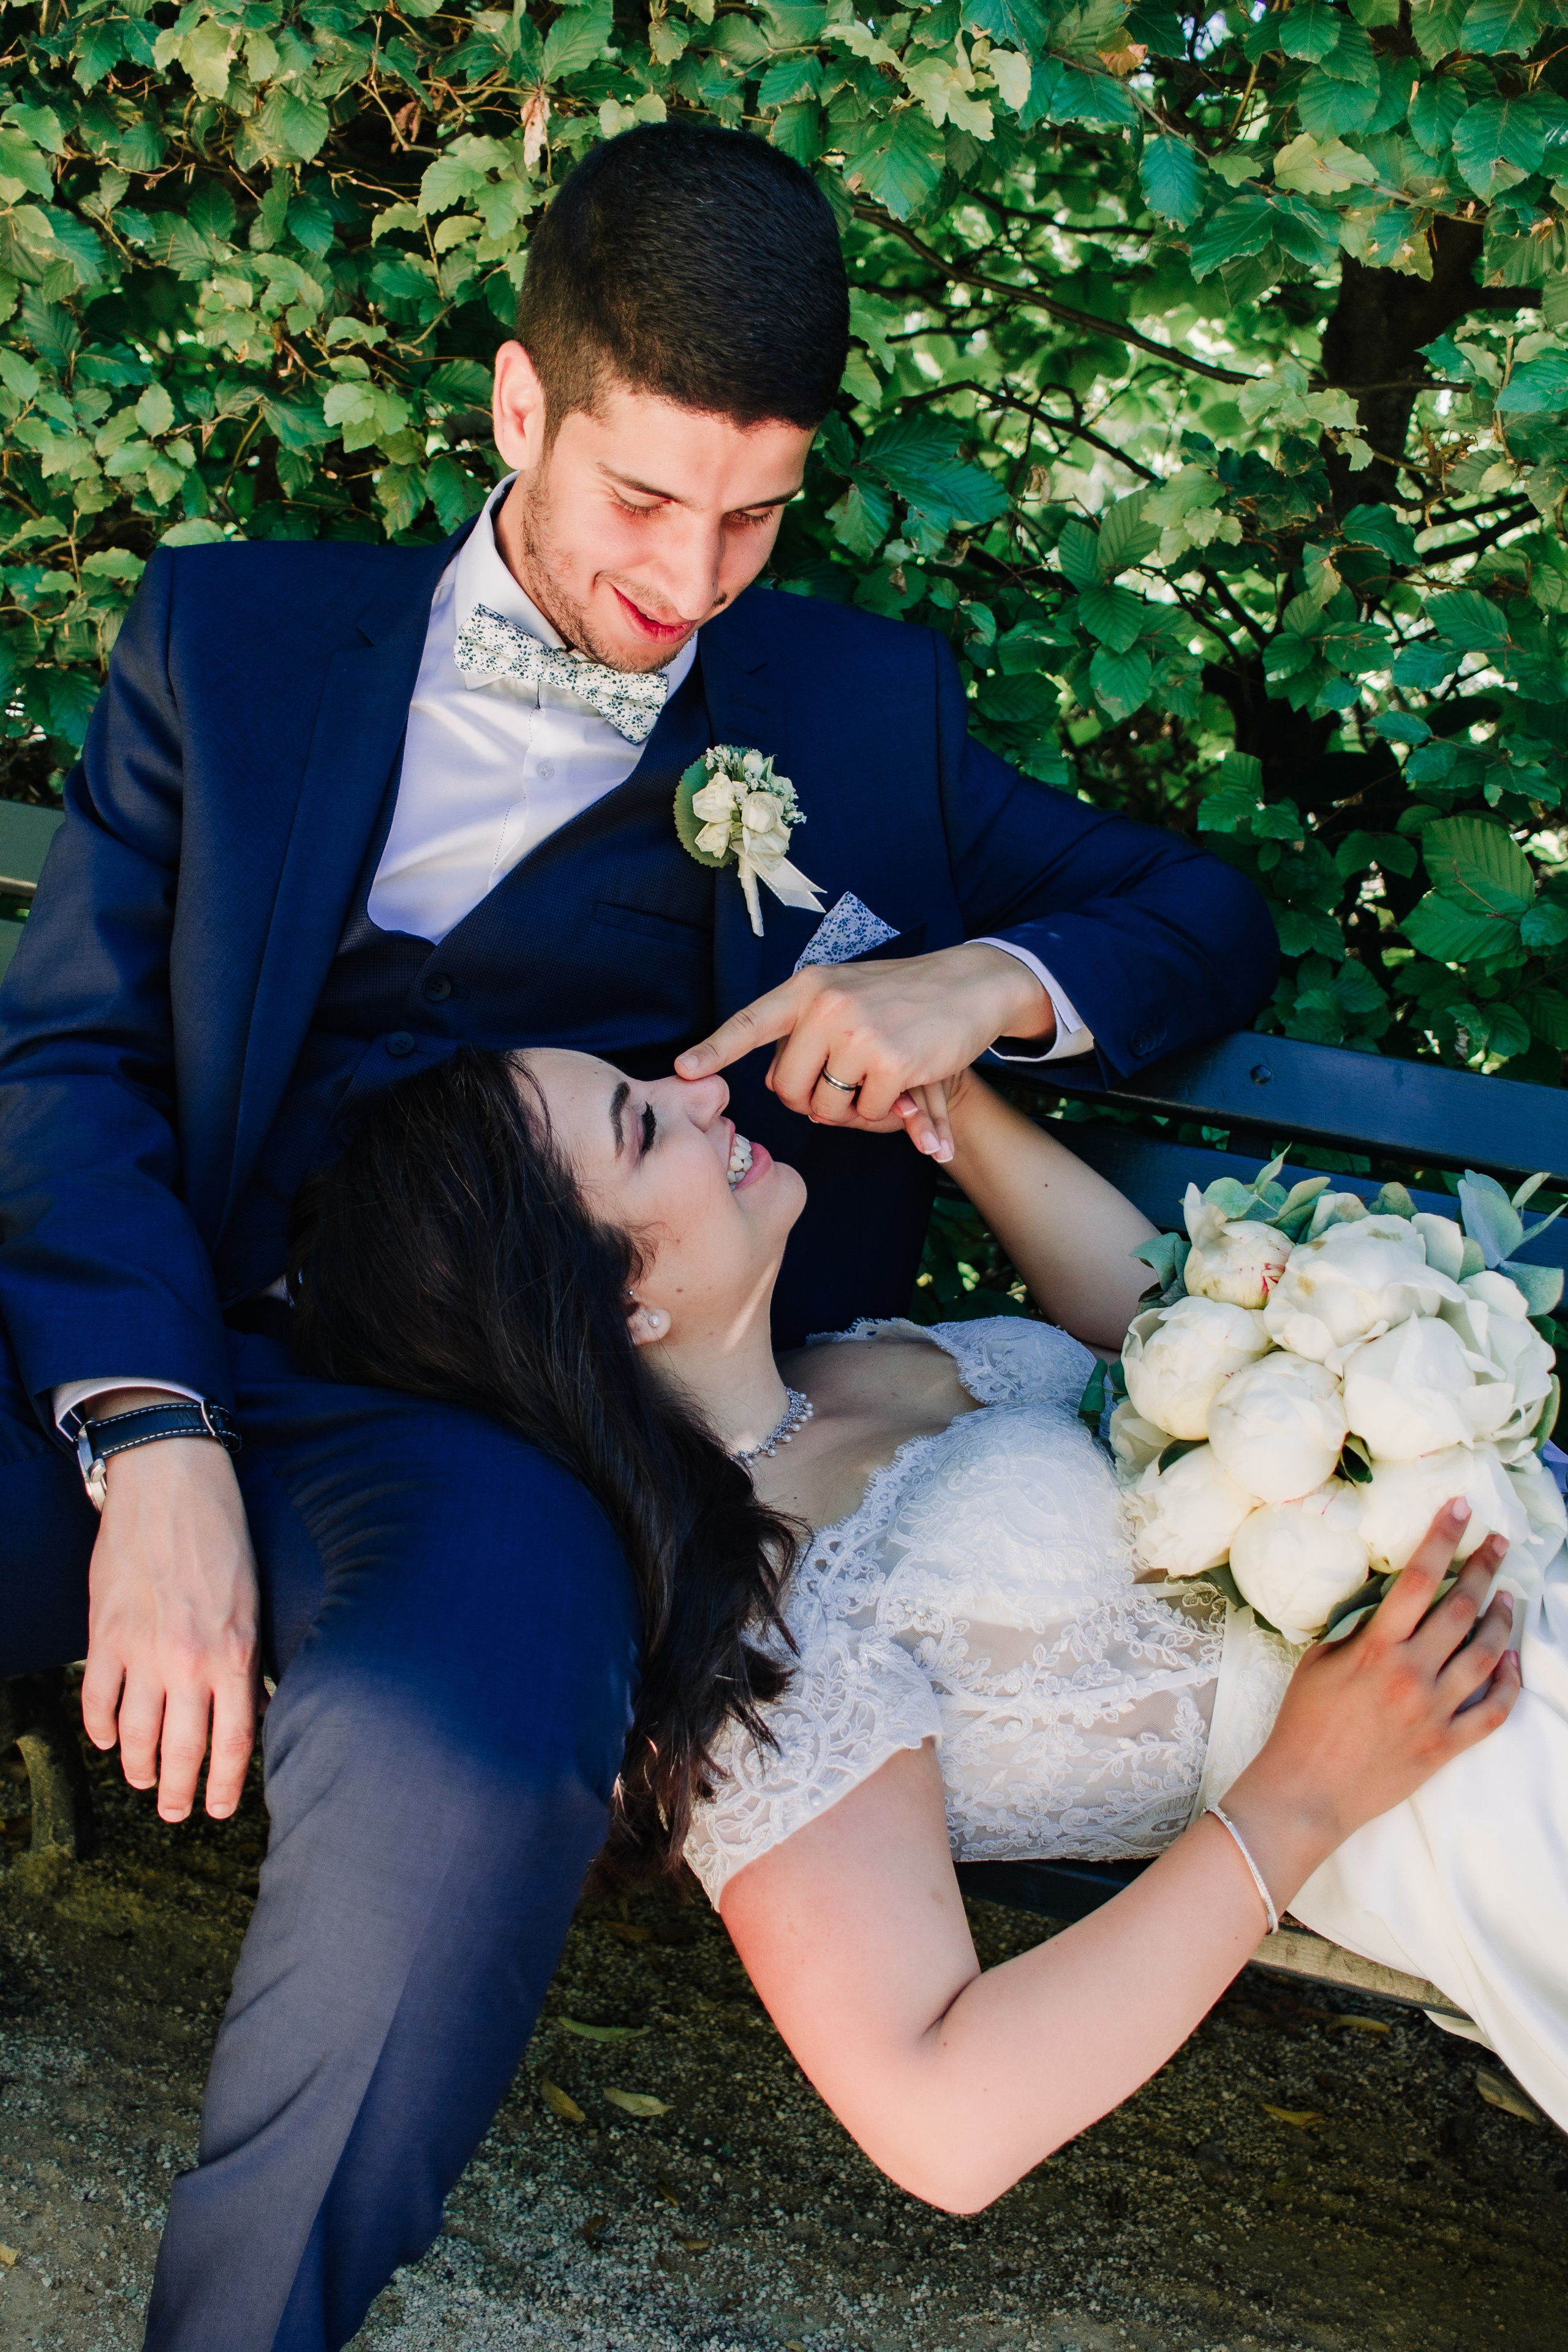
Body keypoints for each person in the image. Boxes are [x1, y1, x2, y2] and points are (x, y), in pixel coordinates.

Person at [0, 124, 1276, 2347]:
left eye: (757, 510)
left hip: (506, 1436)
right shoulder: (233, 637)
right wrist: (155, 1433)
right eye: (642, 499)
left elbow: (1198, 913)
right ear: (521, 409)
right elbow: (75, 1068)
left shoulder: (859, 717)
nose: (694, 577)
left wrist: (971, 986)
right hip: (163, 1332)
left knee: (472, 1747)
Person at [293, 1042, 1567, 2203]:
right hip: (1479, 1777)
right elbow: (937, 2119)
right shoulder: (756, 1637)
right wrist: (1298, 1796)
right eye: (642, 1128)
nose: (700, 1094)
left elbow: (1166, 1343)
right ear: (611, 1303)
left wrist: (946, 1101)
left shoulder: (861, 1359)